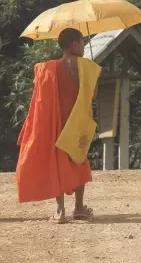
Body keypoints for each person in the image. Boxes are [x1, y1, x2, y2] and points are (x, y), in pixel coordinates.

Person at [16, 28, 99, 224]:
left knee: (57, 163)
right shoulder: (86, 67)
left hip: (55, 123)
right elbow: (93, 95)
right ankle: (79, 207)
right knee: (79, 160)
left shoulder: (47, 68)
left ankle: (60, 210)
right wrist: (92, 72)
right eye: (83, 42)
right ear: (75, 43)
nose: (84, 46)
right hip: (76, 122)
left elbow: (39, 98)